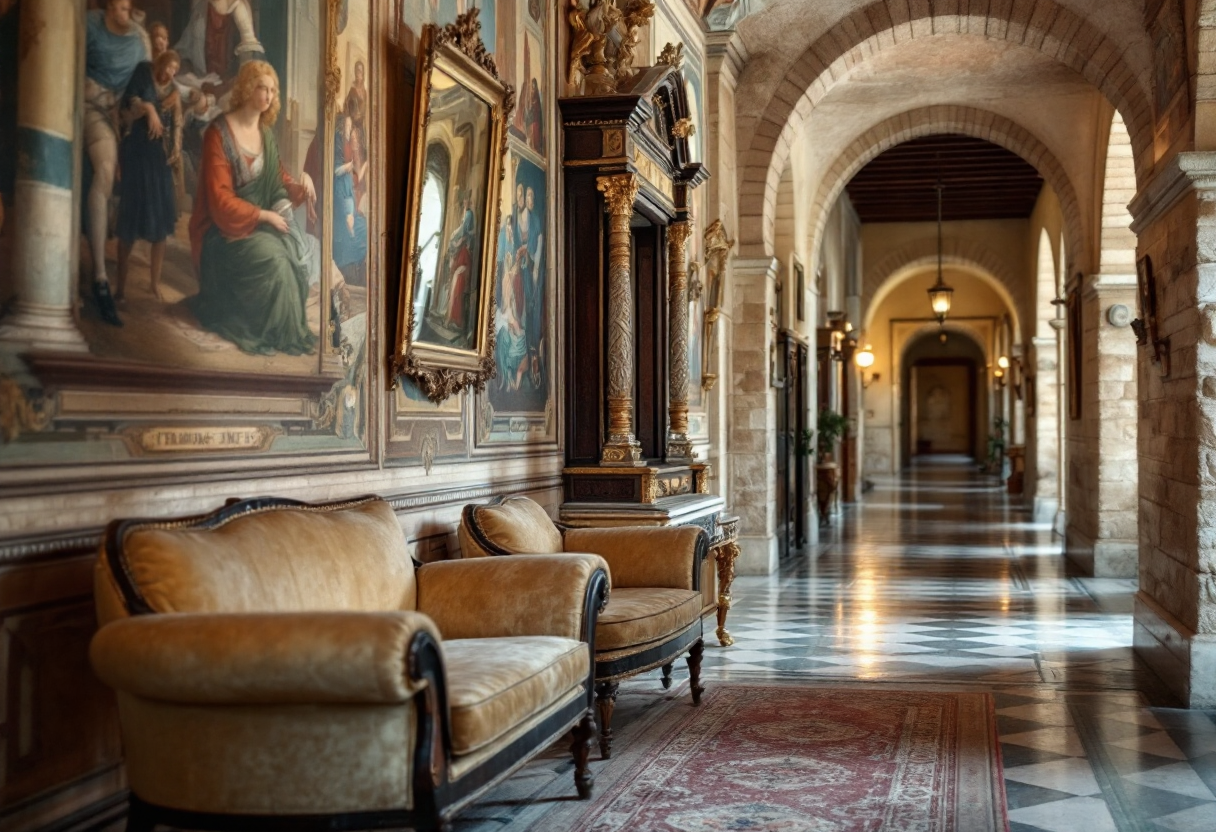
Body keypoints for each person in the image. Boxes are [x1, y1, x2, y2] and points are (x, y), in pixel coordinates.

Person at [187, 60, 319, 356]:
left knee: (293, 253)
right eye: (262, 87)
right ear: (247, 88)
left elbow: (278, 180)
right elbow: (219, 200)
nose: (269, 95)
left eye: (273, 90)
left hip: (258, 226)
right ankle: (272, 332)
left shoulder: (265, 134)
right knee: (276, 260)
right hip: (223, 232)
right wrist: (263, 215)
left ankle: (283, 332)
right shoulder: (218, 134)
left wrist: (302, 186)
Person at [84, 0, 150, 326]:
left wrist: (133, 109)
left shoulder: (139, 41)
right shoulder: (90, 25)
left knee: (108, 172)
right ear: (109, 7)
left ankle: (101, 277)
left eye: (128, 6)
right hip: (82, 107)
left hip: (112, 119)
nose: (126, 12)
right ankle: (96, 276)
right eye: (120, 6)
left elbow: (143, 90)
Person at [115, 49, 183, 302]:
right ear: (161, 64)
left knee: (160, 224)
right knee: (130, 221)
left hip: (158, 158)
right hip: (137, 153)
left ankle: (154, 284)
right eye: (169, 68)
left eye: (175, 71)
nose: (171, 74)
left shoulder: (173, 90)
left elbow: (177, 123)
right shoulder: (144, 72)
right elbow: (127, 104)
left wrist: (175, 150)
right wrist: (149, 108)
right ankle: (120, 288)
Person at [332, 113, 368, 280]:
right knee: (351, 230)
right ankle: (350, 267)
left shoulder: (346, 145)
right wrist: (348, 167)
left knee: (363, 227)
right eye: (346, 126)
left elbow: (355, 179)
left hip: (347, 191)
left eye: (350, 126)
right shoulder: (337, 143)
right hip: (340, 194)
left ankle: (357, 265)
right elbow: (334, 170)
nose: (348, 129)